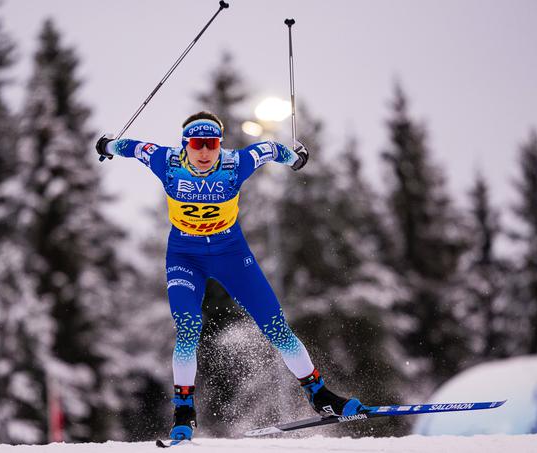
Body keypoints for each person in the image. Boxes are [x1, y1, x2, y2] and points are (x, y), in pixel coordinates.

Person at [95, 111, 366, 441]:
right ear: (186, 146)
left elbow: (268, 149)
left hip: (231, 255)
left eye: (212, 144)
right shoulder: (166, 161)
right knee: (188, 327)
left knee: (275, 325)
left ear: (220, 145)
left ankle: (320, 396)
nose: (206, 152)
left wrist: (295, 156)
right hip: (185, 256)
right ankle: (183, 412)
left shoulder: (235, 163)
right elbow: (133, 147)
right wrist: (110, 145)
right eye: (198, 144)